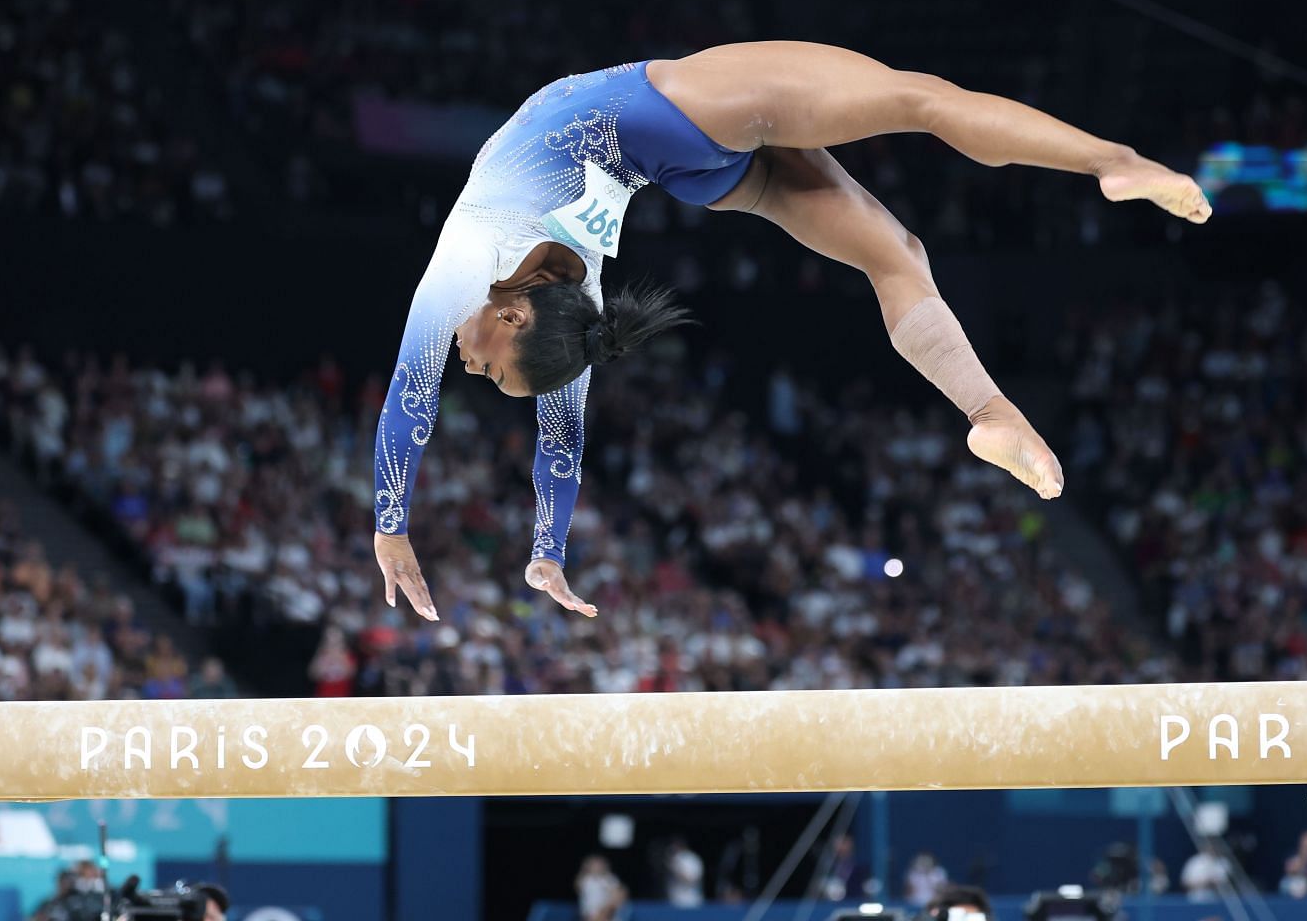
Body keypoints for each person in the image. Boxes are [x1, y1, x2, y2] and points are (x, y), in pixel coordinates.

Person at [373, 43, 1210, 618]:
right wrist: (543, 550)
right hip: (678, 123)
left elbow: (415, 402)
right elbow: (554, 434)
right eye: (487, 373)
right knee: (920, 109)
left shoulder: (473, 259)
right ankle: (1108, 172)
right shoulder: (532, 293)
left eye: (484, 373)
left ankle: (999, 392)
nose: (468, 368)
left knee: (898, 251)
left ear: (514, 314)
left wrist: (394, 524)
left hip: (687, 146)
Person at [577, 854, 628, 921]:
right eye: (594, 865)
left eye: (599, 865)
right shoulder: (586, 879)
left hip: (607, 911)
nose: (597, 867)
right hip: (590, 912)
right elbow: (578, 887)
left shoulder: (610, 878)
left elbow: (620, 894)